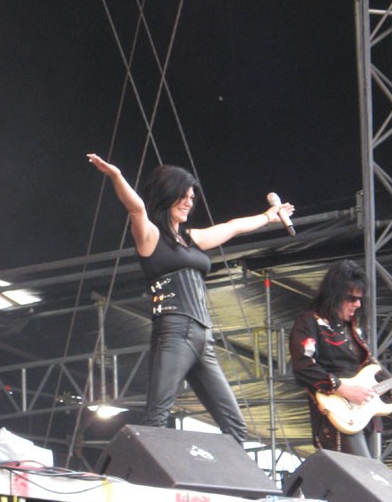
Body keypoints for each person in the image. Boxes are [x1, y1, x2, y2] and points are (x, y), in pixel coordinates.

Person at [88, 153, 295, 443]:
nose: (189, 202)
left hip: (203, 337)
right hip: (174, 332)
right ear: (167, 196)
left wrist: (267, 217)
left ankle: (217, 472)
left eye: (191, 198)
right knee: (157, 417)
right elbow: (136, 208)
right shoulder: (151, 237)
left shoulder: (191, 238)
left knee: (236, 428)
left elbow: (233, 227)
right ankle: (147, 470)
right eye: (183, 196)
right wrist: (116, 176)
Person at [289, 259, 392, 457]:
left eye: (360, 299)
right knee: (360, 471)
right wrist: (343, 389)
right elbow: (303, 366)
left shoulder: (355, 329)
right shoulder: (310, 322)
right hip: (337, 414)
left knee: (371, 471)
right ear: (334, 295)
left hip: (364, 416)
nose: (357, 304)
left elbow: (369, 381)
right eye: (351, 298)